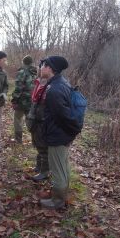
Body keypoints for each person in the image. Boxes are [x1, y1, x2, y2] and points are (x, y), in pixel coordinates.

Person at [38, 56, 74, 209]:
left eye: (43, 66)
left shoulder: (55, 89)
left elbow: (63, 116)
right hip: (62, 134)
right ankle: (62, 194)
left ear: (50, 69)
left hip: (58, 135)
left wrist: (65, 134)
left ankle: (58, 201)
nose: (41, 68)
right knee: (63, 166)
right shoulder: (60, 83)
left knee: (58, 169)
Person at [26, 68, 49, 182]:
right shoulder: (38, 81)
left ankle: (44, 172)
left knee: (43, 146)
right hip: (34, 117)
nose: (41, 69)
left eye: (44, 67)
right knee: (37, 143)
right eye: (40, 67)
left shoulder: (49, 83)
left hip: (42, 119)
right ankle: (39, 166)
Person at [11, 55, 37, 143]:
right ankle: (35, 139)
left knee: (18, 118)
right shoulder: (34, 72)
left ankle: (18, 140)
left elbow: (18, 87)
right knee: (29, 119)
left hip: (22, 100)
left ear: (23, 62)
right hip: (31, 99)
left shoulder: (22, 72)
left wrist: (14, 100)